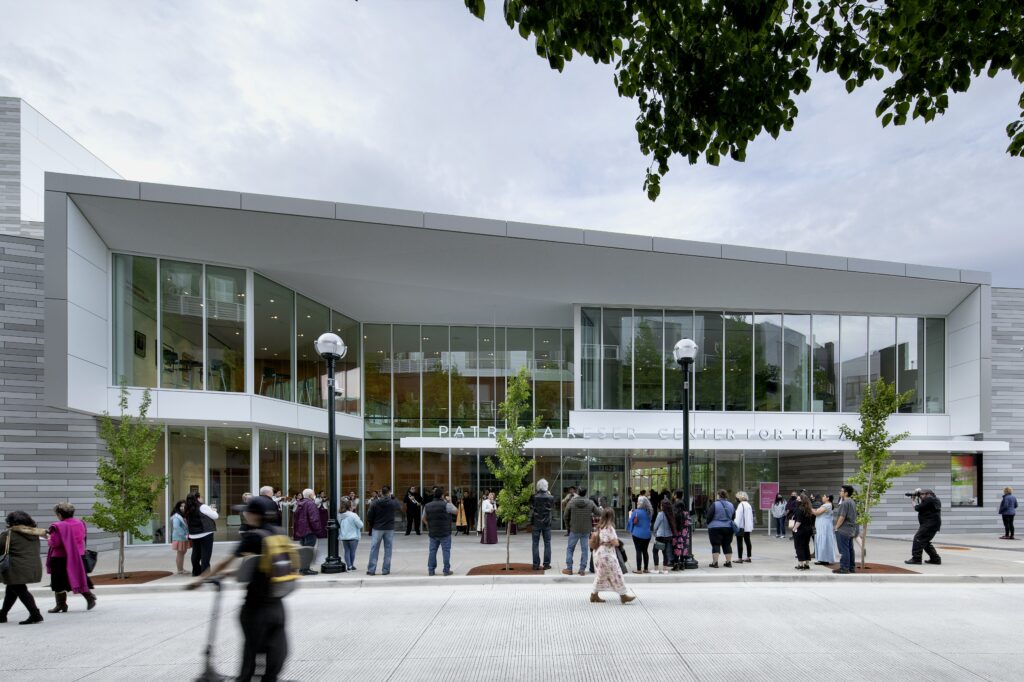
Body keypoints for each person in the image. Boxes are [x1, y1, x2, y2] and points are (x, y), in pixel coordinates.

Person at [190, 495, 291, 681]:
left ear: (255, 515)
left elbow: (224, 563)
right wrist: (232, 574)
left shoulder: (253, 537)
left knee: (251, 653)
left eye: (247, 511)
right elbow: (260, 566)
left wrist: (199, 580)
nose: (244, 514)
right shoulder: (279, 533)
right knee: (275, 650)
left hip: (255, 607)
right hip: (277, 604)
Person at [45, 502, 97, 612]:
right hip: (78, 555)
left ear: (59, 514)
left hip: (60, 557)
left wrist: (48, 538)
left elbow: (55, 543)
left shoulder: (58, 526)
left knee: (58, 581)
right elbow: (82, 537)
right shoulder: (80, 523)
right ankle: (89, 597)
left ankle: (61, 605)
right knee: (77, 577)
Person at [0, 511, 46, 624]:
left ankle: (35, 614)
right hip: (32, 566)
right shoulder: (35, 533)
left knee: (20, 589)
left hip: (16, 567)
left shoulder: (8, 534)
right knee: (12, 589)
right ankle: (2, 614)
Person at [589, 507, 635, 604]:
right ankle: (623, 595)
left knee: (601, 574)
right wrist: (617, 542)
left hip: (599, 553)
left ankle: (594, 595)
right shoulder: (609, 528)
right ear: (612, 516)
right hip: (607, 555)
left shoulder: (599, 526)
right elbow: (615, 542)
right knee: (617, 574)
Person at [563, 487, 599, 576]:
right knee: (584, 549)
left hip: (574, 529)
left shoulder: (571, 502)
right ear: (585, 493)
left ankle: (569, 568)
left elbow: (565, 515)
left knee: (570, 548)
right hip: (586, 529)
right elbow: (598, 512)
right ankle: (582, 569)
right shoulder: (590, 503)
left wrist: (568, 527)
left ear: (578, 492)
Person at [422, 487, 458, 576]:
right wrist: (450, 501)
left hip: (433, 532)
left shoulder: (427, 505)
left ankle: (431, 570)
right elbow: (456, 512)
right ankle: (446, 570)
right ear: (442, 496)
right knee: (446, 551)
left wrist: (428, 525)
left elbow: (423, 518)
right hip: (445, 532)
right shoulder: (446, 504)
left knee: (432, 551)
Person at [366, 486, 401, 575]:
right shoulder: (392, 502)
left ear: (381, 493)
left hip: (377, 527)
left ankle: (371, 569)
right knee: (388, 548)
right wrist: (393, 497)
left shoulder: (375, 502)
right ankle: (386, 569)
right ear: (389, 493)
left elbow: (369, 516)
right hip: (389, 528)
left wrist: (372, 524)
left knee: (374, 548)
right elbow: (398, 506)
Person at [185, 491, 218, 577]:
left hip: (193, 534)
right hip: (205, 533)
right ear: (198, 498)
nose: (202, 498)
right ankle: (206, 573)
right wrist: (213, 510)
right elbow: (215, 516)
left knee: (196, 553)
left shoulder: (187, 507)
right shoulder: (203, 506)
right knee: (205, 554)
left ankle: (196, 571)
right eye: (201, 497)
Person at [906, 488, 942, 565]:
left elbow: (917, 508)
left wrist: (913, 500)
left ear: (928, 494)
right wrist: (918, 495)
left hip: (929, 524)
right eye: (920, 494)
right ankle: (935, 559)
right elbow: (923, 506)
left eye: (922, 494)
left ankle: (916, 559)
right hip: (931, 524)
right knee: (924, 542)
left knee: (918, 538)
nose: (921, 496)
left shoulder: (930, 499)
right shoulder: (933, 500)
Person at [292, 489, 322, 576]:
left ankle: (303, 568)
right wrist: (318, 530)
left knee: (304, 550)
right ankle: (305, 569)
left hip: (302, 531)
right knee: (308, 550)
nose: (314, 495)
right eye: (313, 494)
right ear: (310, 495)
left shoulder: (300, 503)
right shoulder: (311, 504)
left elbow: (296, 518)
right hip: (310, 531)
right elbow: (314, 519)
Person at [705, 490, 735, 568]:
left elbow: (709, 516)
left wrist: (708, 523)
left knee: (716, 544)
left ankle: (715, 563)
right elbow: (733, 516)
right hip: (728, 527)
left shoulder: (714, 504)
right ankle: (728, 562)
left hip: (715, 527)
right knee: (727, 544)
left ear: (718, 495)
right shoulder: (731, 505)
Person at [529, 479, 555, 570]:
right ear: (546, 487)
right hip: (547, 523)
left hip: (536, 522)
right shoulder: (550, 497)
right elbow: (551, 507)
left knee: (535, 543)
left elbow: (531, 507)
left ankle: (536, 564)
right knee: (547, 543)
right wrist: (549, 494)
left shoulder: (534, 496)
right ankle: (546, 564)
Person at [833, 484, 858, 574]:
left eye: (841, 491)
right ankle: (851, 567)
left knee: (844, 550)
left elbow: (842, 517)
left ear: (846, 493)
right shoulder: (852, 502)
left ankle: (844, 568)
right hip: (851, 529)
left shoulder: (845, 503)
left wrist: (836, 527)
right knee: (850, 549)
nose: (840, 492)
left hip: (844, 529)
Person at [626, 496, 652, 574]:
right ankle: (646, 568)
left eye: (638, 501)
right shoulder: (649, 512)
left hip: (637, 534)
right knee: (645, 551)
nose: (637, 503)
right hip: (647, 534)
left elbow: (631, 521)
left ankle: (639, 569)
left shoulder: (636, 512)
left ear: (640, 503)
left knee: (638, 551)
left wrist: (630, 514)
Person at [813, 494, 839, 565]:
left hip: (824, 526)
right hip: (824, 525)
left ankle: (823, 559)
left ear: (827, 498)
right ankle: (823, 558)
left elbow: (817, 513)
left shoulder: (827, 505)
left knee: (823, 541)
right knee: (824, 541)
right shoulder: (828, 505)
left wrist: (809, 508)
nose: (822, 497)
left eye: (823, 496)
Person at [337, 497, 363, 572]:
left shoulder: (340, 515)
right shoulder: (353, 515)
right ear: (350, 507)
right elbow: (360, 525)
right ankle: (351, 565)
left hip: (344, 536)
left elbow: (339, 524)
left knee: (347, 551)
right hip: (353, 536)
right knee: (352, 552)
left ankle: (349, 566)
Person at [791, 493, 814, 570]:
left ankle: (801, 564)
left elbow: (799, 521)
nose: (796, 501)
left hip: (800, 530)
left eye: (798, 499)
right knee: (806, 546)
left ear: (801, 500)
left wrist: (794, 529)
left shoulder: (799, 509)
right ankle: (807, 564)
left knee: (799, 547)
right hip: (808, 530)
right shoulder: (809, 509)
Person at [652, 498, 675, 574]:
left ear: (663, 506)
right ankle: (665, 568)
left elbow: (655, 526)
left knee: (655, 551)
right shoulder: (671, 514)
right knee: (665, 552)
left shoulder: (660, 514)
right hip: (668, 536)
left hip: (660, 536)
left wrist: (654, 532)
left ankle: (656, 568)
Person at [170, 500, 190, 575]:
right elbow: (176, 526)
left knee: (182, 552)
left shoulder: (182, 515)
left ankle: (181, 569)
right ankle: (180, 570)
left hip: (182, 537)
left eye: (184, 506)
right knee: (180, 553)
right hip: (180, 537)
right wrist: (184, 535)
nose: (182, 507)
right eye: (181, 506)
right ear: (178, 507)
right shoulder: (177, 516)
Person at [734, 491, 754, 563]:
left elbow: (738, 517)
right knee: (747, 541)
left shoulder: (741, 505)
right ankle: (749, 557)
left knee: (739, 542)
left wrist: (735, 526)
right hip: (747, 526)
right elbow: (751, 517)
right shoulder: (748, 505)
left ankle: (740, 558)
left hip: (741, 526)